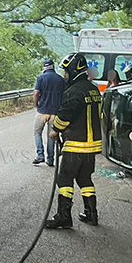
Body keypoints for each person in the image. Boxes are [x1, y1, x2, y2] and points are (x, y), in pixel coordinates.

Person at [46, 52, 102, 229]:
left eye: (66, 71)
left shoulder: (73, 92)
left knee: (64, 179)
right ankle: (91, 213)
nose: (65, 75)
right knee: (85, 178)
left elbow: (64, 117)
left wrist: (54, 130)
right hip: (92, 145)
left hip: (76, 144)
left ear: (72, 70)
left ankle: (63, 216)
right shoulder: (93, 89)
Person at [32, 59, 65, 166]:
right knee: (51, 135)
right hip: (55, 112)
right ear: (53, 67)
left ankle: (40, 155)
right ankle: (50, 159)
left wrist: (36, 104)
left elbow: (36, 93)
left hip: (42, 111)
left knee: (37, 132)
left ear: (44, 68)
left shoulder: (41, 78)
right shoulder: (60, 79)